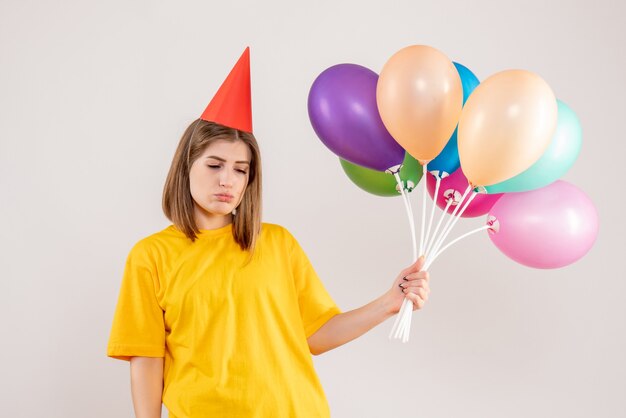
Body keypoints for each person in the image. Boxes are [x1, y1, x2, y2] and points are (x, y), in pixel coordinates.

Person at [107, 48, 430, 418]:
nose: (227, 179)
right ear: (186, 166)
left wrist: (388, 302)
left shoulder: (278, 244)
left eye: (240, 169)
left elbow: (316, 334)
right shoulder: (151, 256)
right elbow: (146, 360)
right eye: (215, 165)